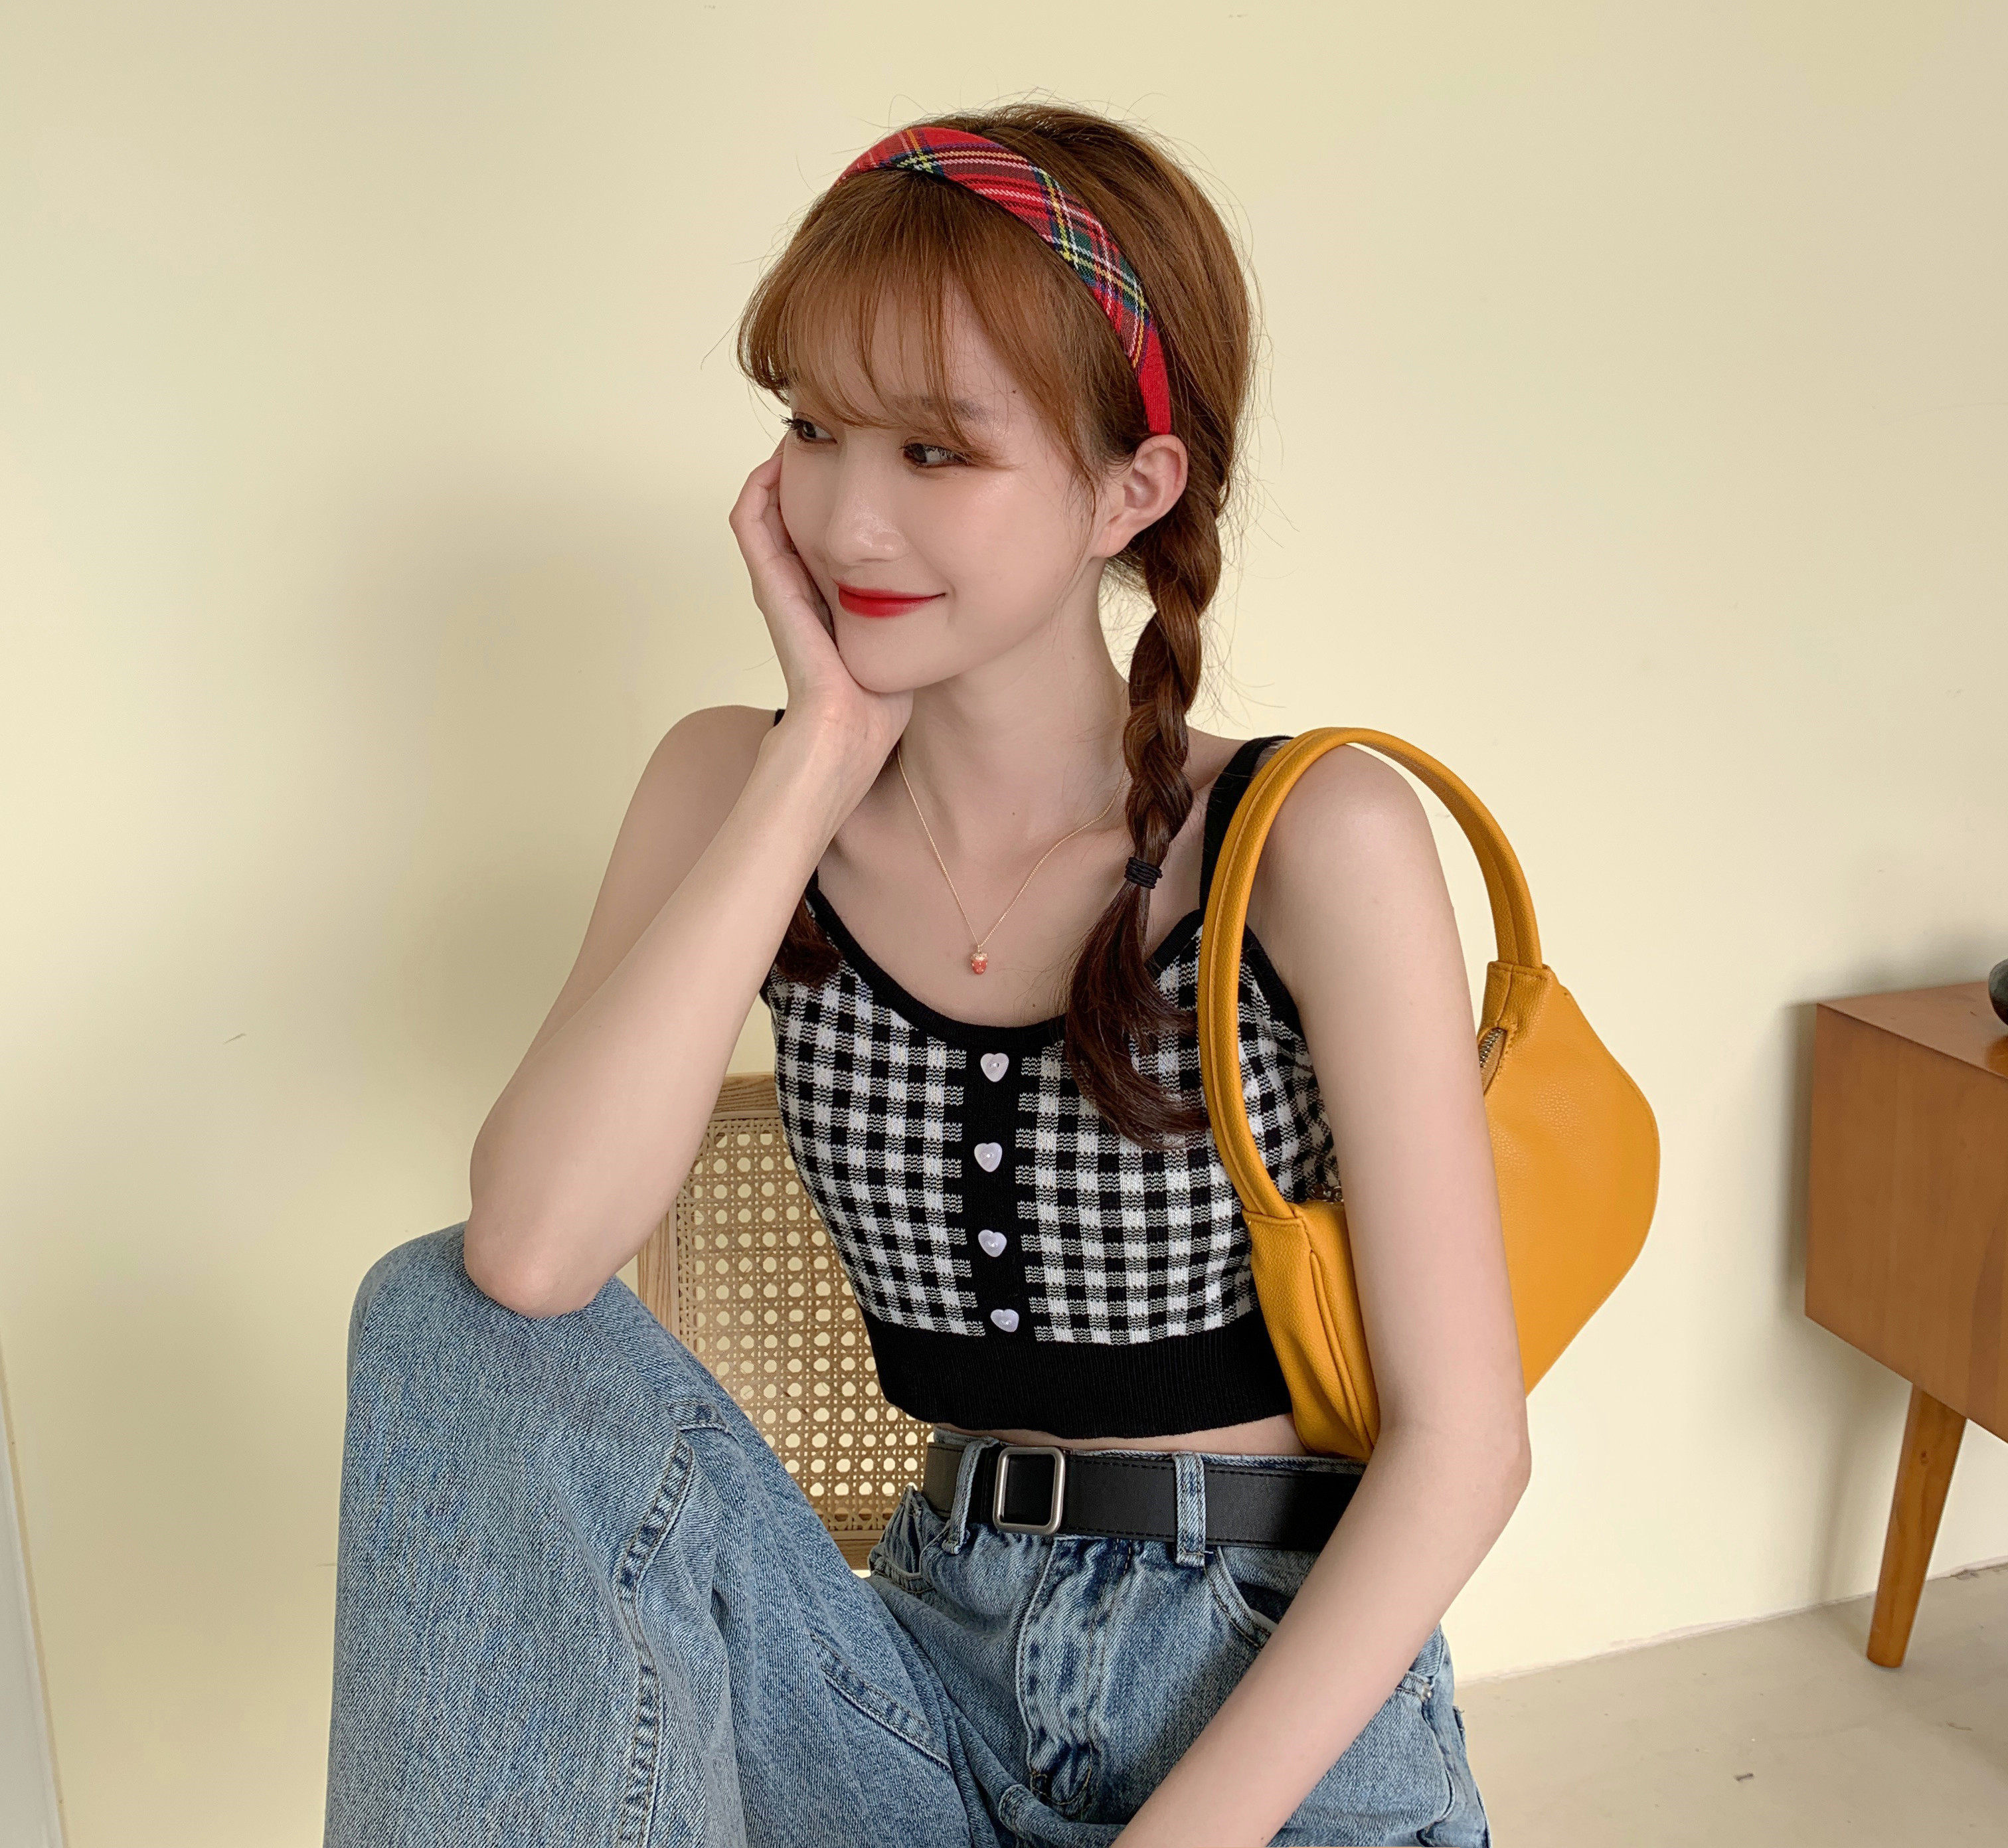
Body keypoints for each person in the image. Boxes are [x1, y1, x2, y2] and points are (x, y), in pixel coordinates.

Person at [324, 103, 1529, 1848]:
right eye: (813, 430)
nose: (850, 519)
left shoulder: (1308, 838)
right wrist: (818, 756)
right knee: (434, 1315)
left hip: (1278, 1712)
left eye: (935, 453)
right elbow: (531, 1254)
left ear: (1132, 489)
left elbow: (1464, 1447)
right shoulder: (731, 788)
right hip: (915, 1694)